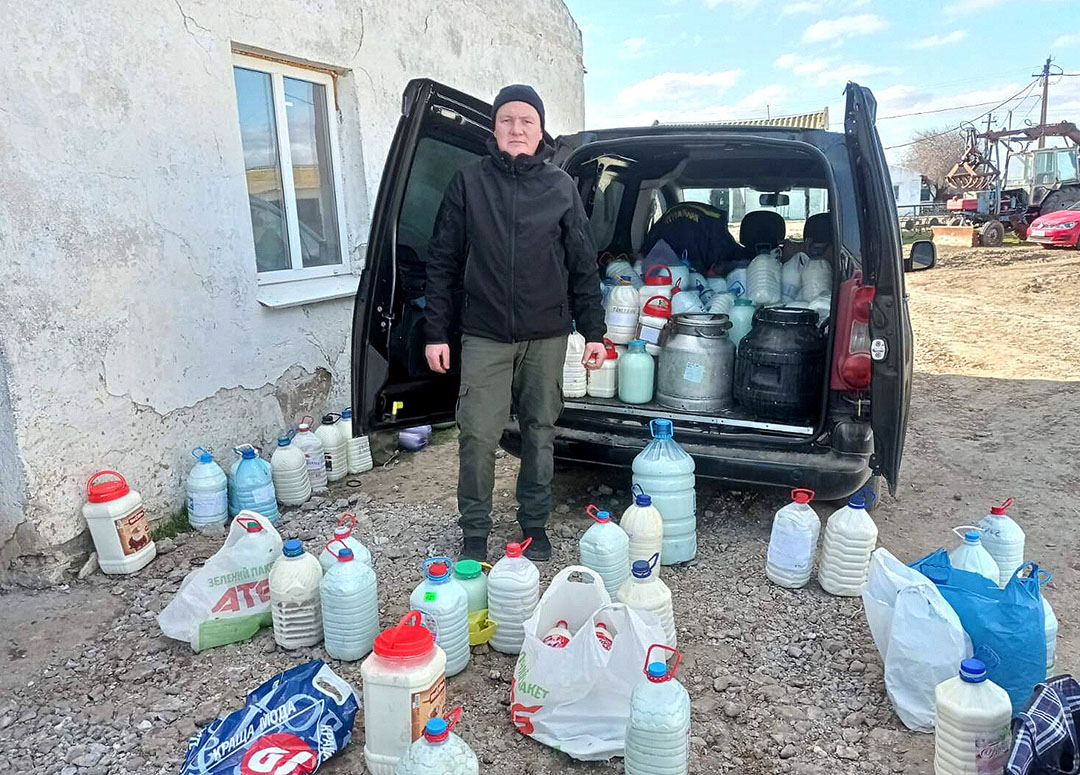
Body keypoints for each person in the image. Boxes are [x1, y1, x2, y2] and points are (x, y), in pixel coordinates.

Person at [424, 84, 606, 562]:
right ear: (494, 127)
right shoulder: (469, 182)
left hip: (546, 334)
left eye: (527, 120)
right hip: (483, 334)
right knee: (478, 435)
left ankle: (534, 524)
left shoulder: (560, 187)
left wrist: (594, 332)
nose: (517, 129)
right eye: (507, 119)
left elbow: (583, 264)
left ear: (541, 129)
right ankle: (475, 532)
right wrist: (435, 332)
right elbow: (442, 261)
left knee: (539, 432)